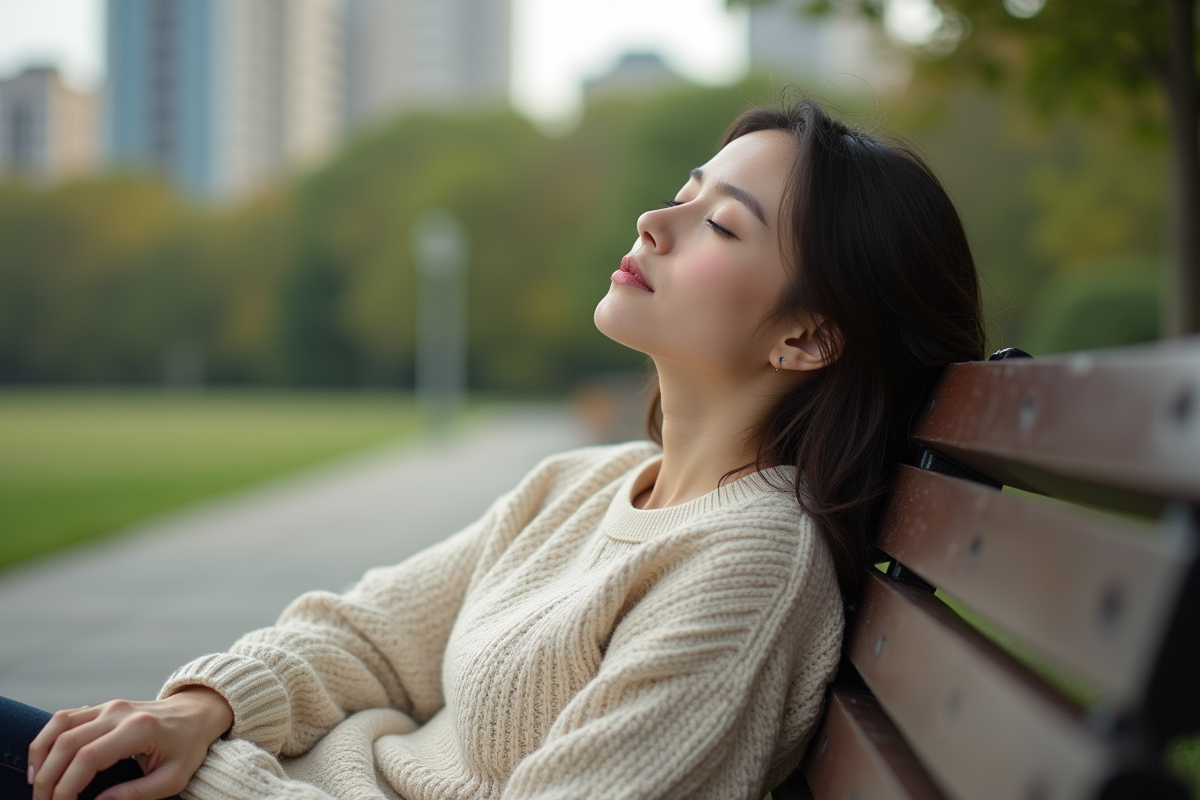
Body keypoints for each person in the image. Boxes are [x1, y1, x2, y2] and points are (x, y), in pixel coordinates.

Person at [7, 98, 985, 800]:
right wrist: (207, 706)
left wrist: (225, 772)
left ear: (805, 337)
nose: (656, 220)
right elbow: (371, 637)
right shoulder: (587, 483)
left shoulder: (747, 568)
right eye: (685, 190)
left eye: (721, 222)